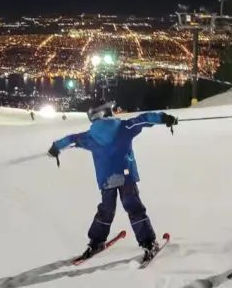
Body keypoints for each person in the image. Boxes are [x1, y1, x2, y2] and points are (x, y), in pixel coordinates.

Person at [48, 101, 178, 262]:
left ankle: (96, 241)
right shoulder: (125, 127)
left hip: (106, 180)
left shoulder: (89, 137)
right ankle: (148, 242)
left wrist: (55, 147)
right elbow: (144, 119)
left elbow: (71, 139)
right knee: (134, 208)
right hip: (126, 176)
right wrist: (165, 118)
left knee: (106, 210)